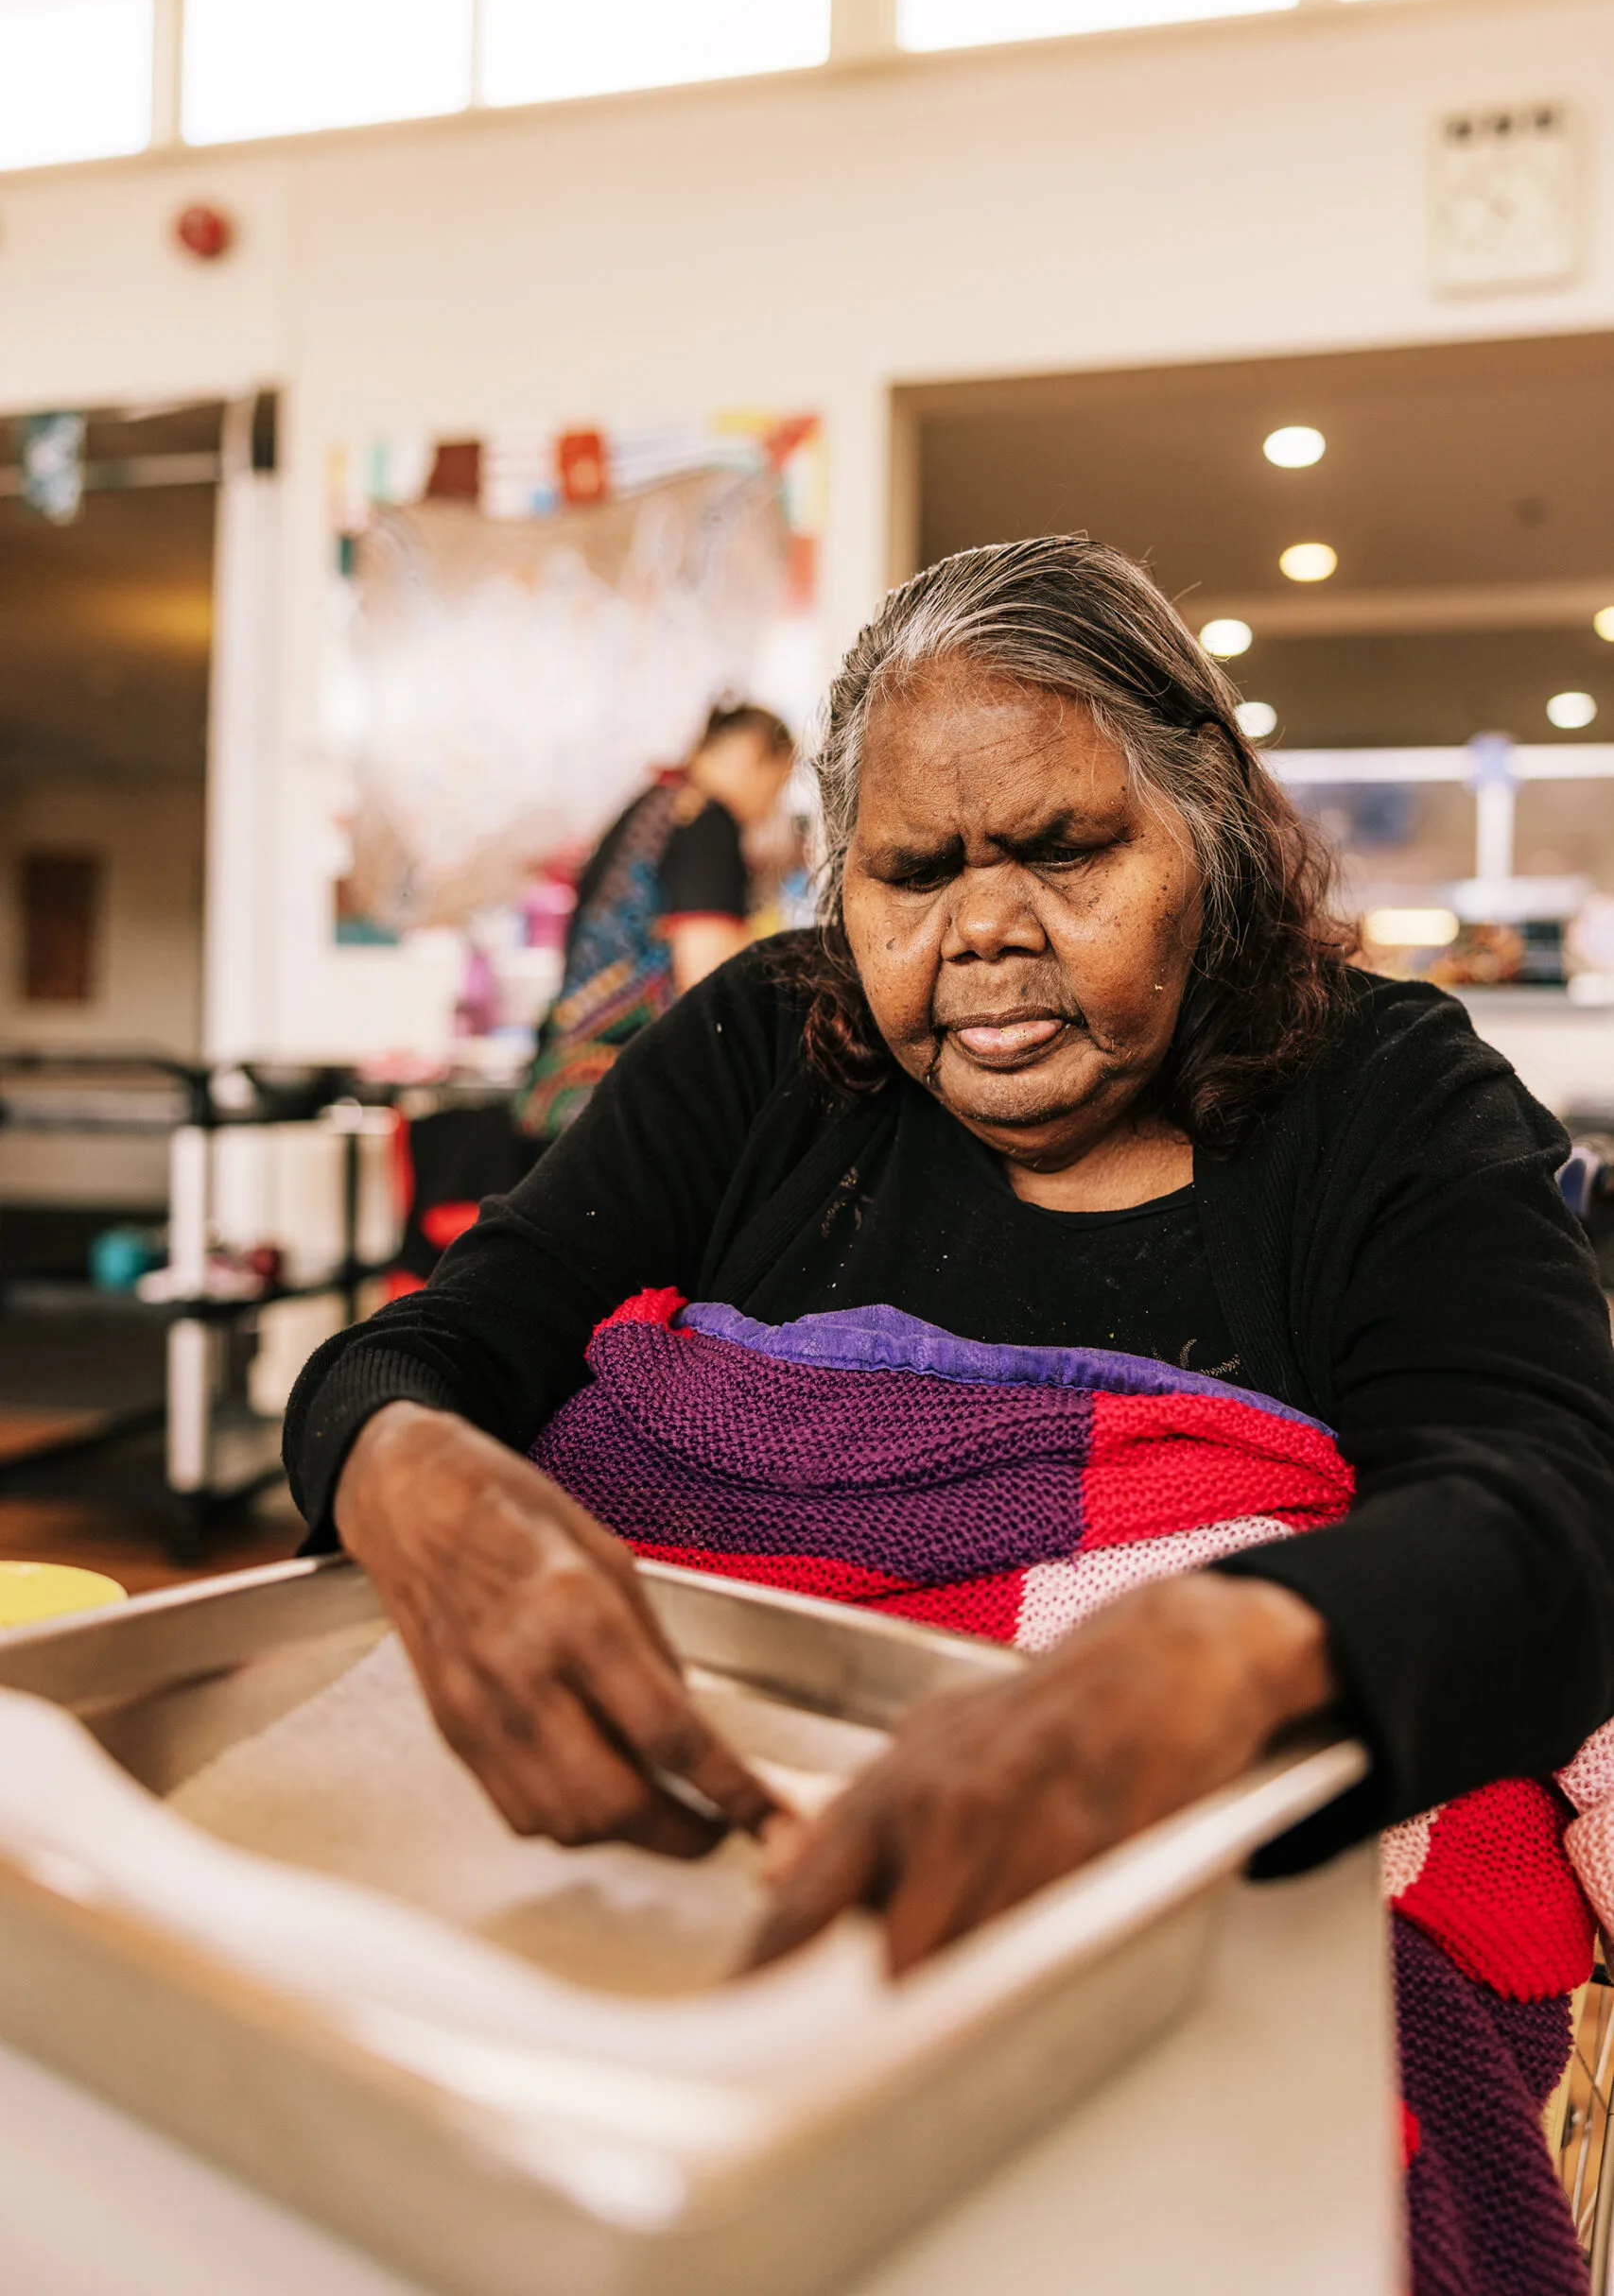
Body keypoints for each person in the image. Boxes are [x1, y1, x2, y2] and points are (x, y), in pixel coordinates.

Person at [287, 539, 1614, 2294]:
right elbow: (422, 1358)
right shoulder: (770, 1046)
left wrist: (1216, 1657)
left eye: (1064, 850)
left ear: (1205, 828)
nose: (981, 932)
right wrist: (419, 1481)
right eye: (908, 872)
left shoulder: (1389, 1099)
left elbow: (1544, 1514)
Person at [514, 700, 795, 1139]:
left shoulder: (655, 803)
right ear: (754, 755)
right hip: (623, 1102)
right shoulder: (707, 821)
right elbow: (711, 984)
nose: (768, 808)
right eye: (777, 785)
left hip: (566, 1088)